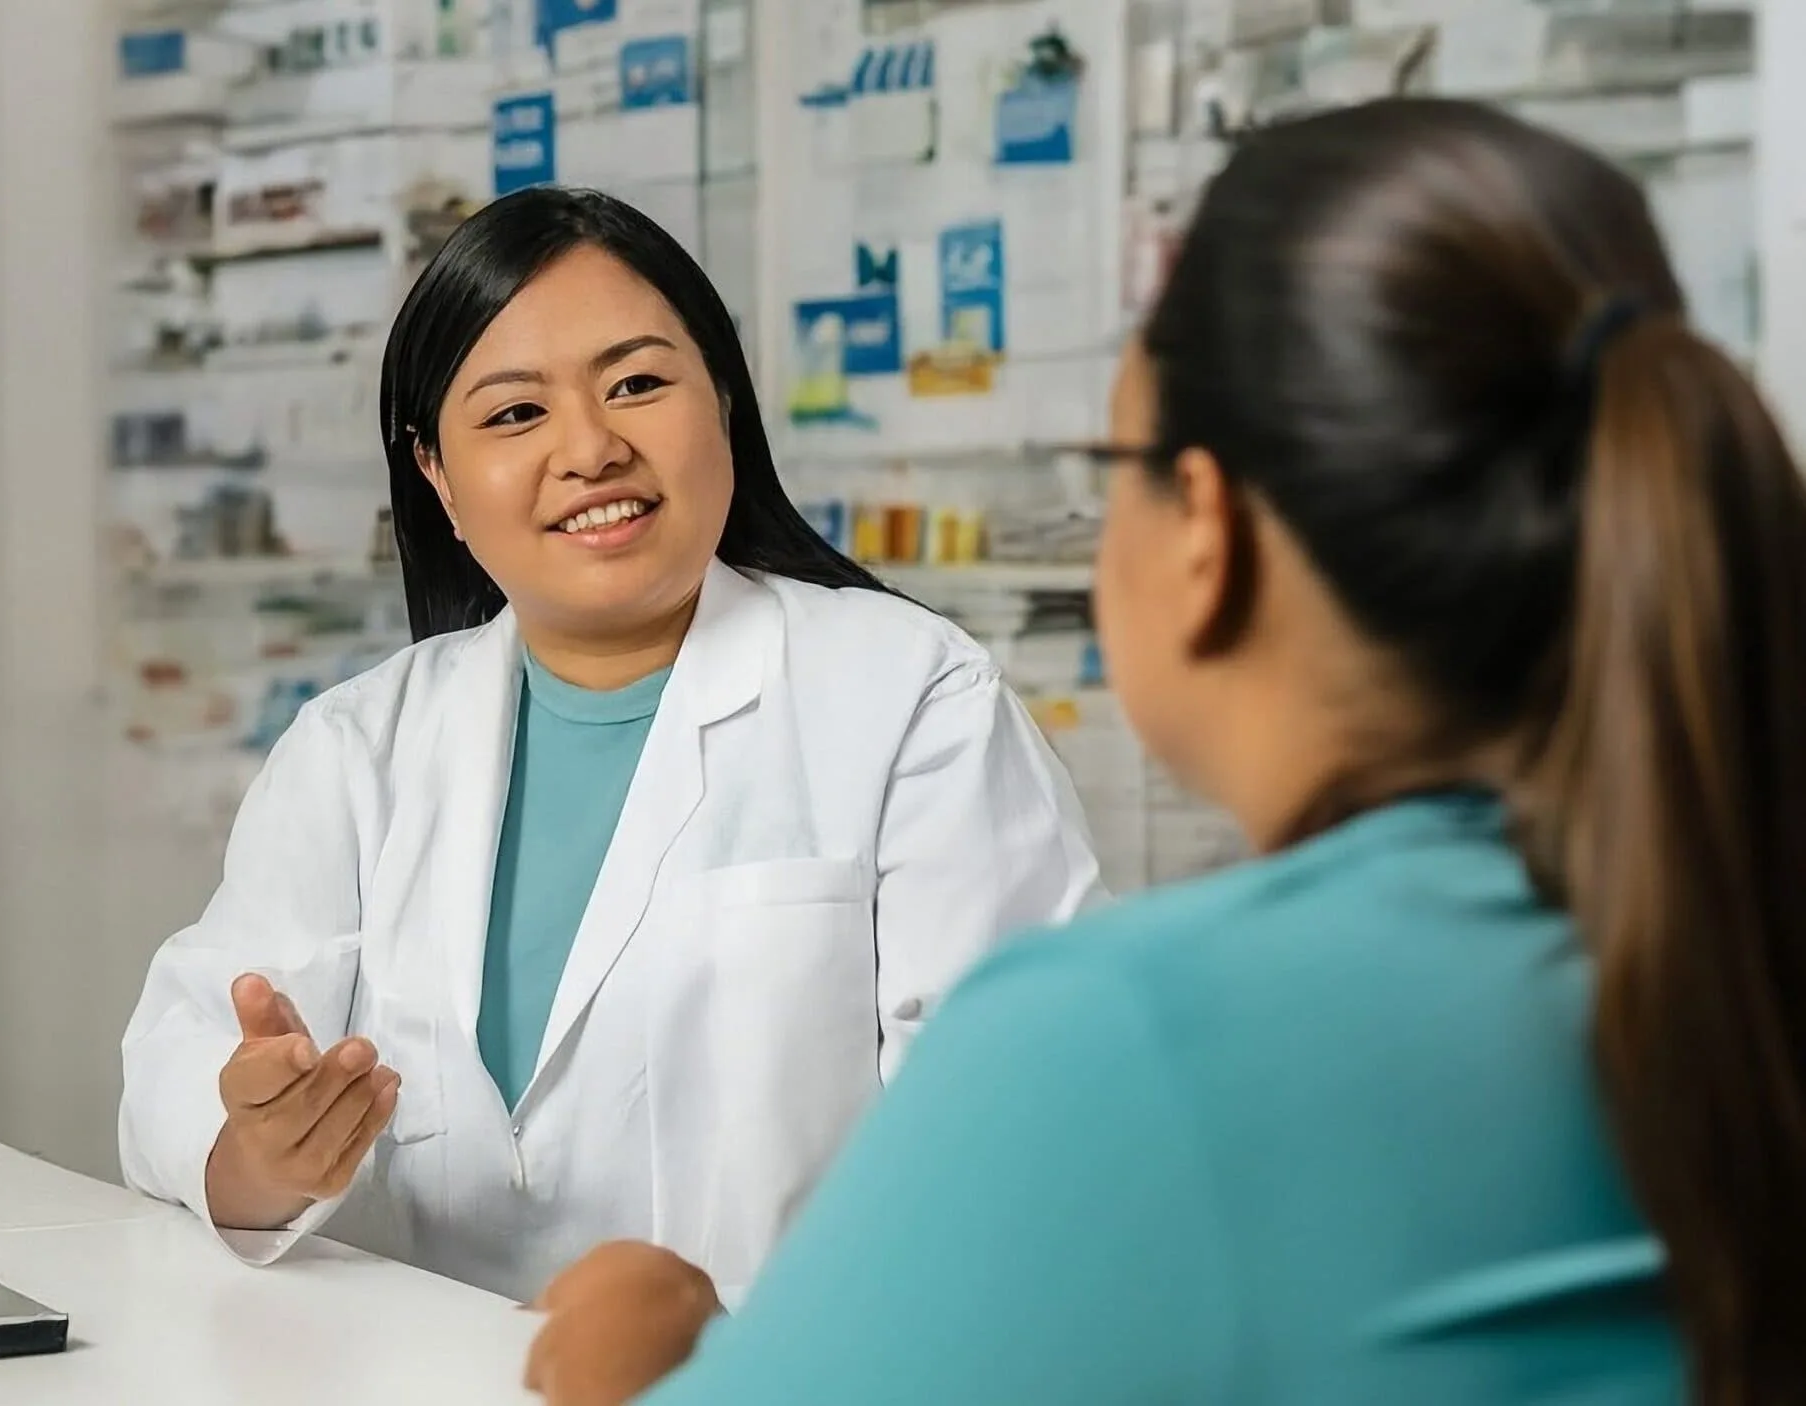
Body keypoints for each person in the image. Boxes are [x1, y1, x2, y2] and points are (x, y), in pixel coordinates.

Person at [522, 97, 1806, 1404]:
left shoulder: (1133, 1036)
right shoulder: (1718, 938)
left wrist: (640, 1359)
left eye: (1116, 458)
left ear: (1207, 529)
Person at [115, 187, 1104, 1303]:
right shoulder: (358, 748)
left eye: (636, 384)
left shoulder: (912, 697)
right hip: (421, 1372)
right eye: (513, 414)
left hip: (787, 1372)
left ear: (722, 400)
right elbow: (178, 1060)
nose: (590, 449)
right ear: (436, 475)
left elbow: (1020, 1142)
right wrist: (259, 1152)